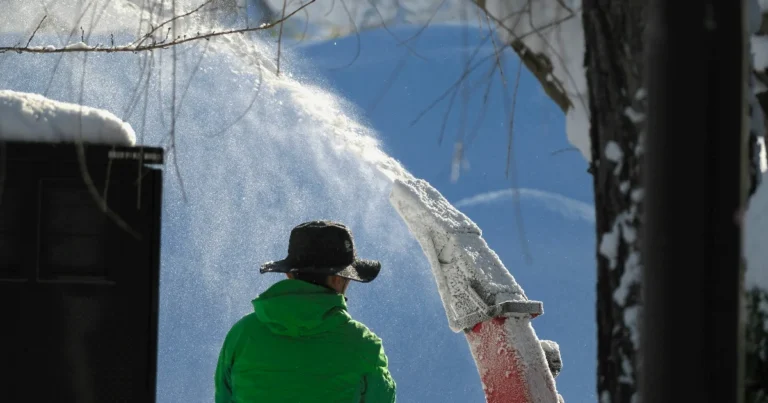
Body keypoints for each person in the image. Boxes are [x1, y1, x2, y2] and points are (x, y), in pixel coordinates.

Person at [214, 220, 396, 403]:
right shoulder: (364, 345)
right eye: (347, 279)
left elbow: (223, 397)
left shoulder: (241, 335)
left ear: (289, 275)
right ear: (337, 279)